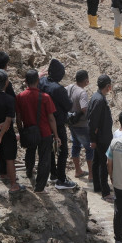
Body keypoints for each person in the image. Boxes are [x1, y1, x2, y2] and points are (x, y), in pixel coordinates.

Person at [16, 69, 60, 193]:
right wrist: (56, 135)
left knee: (30, 152)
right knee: (44, 159)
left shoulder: (19, 97)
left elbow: (18, 118)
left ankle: (29, 172)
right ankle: (40, 187)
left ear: (25, 81)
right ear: (38, 81)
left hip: (29, 131)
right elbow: (51, 118)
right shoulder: (45, 97)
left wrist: (21, 130)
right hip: (45, 133)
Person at [39, 59, 77, 190]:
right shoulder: (58, 89)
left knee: (50, 149)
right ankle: (61, 179)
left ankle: (53, 174)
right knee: (62, 151)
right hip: (57, 123)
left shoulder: (42, 82)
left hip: (44, 122)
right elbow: (68, 106)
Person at [88, 74, 114, 201]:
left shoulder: (97, 96)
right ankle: (105, 192)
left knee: (97, 161)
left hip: (101, 136)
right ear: (108, 86)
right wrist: (93, 139)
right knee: (103, 164)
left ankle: (97, 186)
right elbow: (92, 121)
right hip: (101, 138)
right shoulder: (99, 100)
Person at [66, 70, 94, 181]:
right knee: (90, 148)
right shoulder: (82, 93)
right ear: (86, 80)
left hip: (70, 122)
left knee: (76, 145)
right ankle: (91, 175)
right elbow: (84, 108)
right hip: (81, 125)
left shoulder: (68, 87)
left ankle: (78, 171)